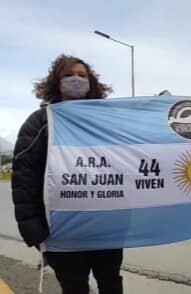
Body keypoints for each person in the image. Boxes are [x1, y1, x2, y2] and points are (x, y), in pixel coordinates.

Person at [12, 54, 123, 293]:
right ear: (57, 82)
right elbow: (24, 178)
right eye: (69, 75)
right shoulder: (41, 121)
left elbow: (127, 166)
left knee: (111, 283)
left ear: (92, 83)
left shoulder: (107, 121)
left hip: (105, 227)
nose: (76, 79)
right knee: (73, 287)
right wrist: (33, 228)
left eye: (82, 75)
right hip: (61, 231)